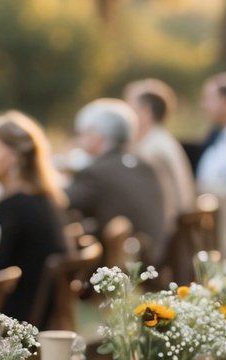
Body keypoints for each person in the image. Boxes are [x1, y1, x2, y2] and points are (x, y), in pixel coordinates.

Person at [0, 111, 67, 327]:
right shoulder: (44, 199)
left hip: (15, 319)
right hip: (42, 313)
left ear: (16, 155)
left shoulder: (14, 207)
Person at [66, 98, 167, 264]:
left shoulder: (97, 172)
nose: (80, 140)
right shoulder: (145, 165)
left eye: (83, 133)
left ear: (97, 136)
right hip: (154, 257)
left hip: (124, 266)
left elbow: (61, 203)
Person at [124, 79, 196, 233]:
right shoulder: (160, 140)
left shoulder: (153, 150)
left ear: (145, 112)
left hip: (167, 238)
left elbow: (150, 206)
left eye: (130, 108)